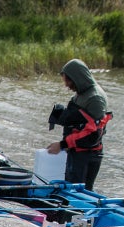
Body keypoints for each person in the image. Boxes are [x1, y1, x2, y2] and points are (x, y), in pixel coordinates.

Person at [46, 58, 111, 191]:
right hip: (76, 153)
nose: (66, 85)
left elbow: (92, 134)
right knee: (70, 192)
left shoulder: (95, 99)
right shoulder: (81, 94)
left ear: (78, 78)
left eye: (68, 81)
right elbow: (79, 122)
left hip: (87, 157)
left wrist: (63, 145)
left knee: (80, 195)